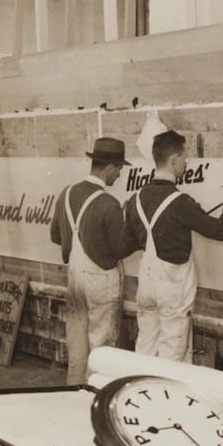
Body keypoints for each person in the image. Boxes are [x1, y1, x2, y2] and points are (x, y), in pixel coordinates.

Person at [124, 130, 223, 363]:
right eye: (185, 156)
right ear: (175, 159)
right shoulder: (181, 203)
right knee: (172, 357)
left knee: (145, 349)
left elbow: (126, 243)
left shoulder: (134, 200)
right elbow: (219, 231)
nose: (187, 162)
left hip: (146, 285)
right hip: (172, 288)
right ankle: (165, 399)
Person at [49, 138, 135, 385]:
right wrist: (133, 229)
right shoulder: (108, 203)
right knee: (102, 345)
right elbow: (119, 249)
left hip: (75, 277)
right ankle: (96, 395)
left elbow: (55, 235)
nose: (119, 174)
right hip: (102, 280)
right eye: (119, 168)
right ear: (108, 167)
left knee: (76, 341)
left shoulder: (66, 194)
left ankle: (73, 391)